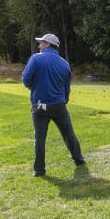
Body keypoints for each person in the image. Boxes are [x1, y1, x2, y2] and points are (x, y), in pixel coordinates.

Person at [21, 33, 85, 177]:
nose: (39, 46)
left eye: (42, 43)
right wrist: (64, 99)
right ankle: (79, 159)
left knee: (40, 138)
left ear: (48, 44)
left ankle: (39, 170)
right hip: (59, 105)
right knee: (68, 133)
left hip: (39, 105)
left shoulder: (36, 59)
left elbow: (26, 79)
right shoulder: (64, 63)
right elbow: (66, 87)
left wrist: (34, 88)